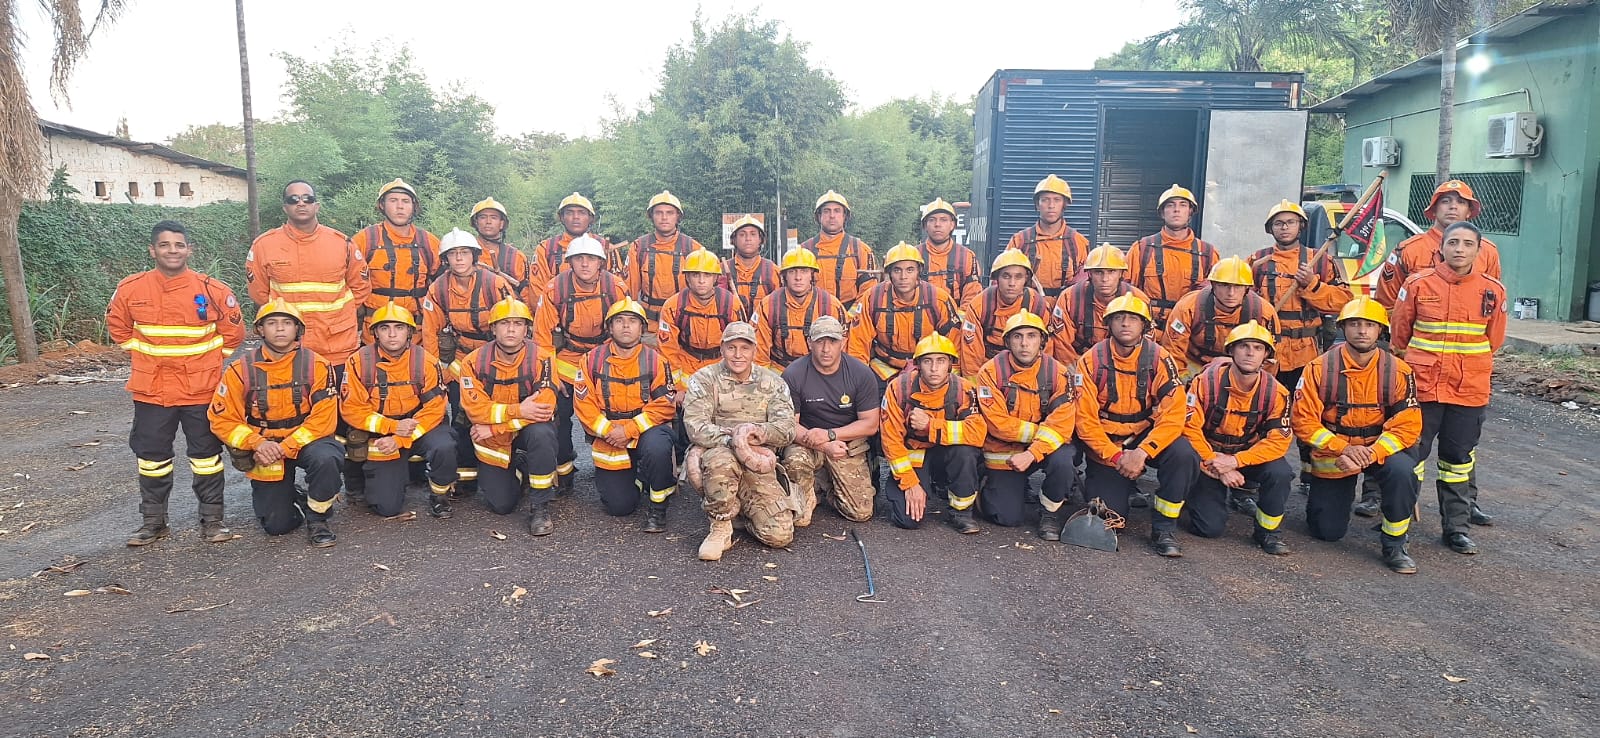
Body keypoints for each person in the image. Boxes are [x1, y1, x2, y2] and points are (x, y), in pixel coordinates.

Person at [108, 220, 246, 546]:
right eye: (165, 245)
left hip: (201, 389)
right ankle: (153, 523)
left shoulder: (212, 289)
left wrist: (209, 362)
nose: (173, 251)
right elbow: (118, 326)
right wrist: (144, 354)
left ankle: (213, 522)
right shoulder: (131, 289)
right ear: (152, 250)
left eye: (179, 245)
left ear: (189, 250)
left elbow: (234, 333)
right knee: (151, 458)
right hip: (152, 390)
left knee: (206, 456)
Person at [1391, 221, 1507, 555]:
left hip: (1468, 389)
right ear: (1441, 247)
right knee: (1411, 456)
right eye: (1452, 242)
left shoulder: (1492, 290)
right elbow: (1400, 333)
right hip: (1423, 388)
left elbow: (1493, 339)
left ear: (1478, 249)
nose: (1459, 249)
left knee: (1457, 460)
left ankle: (1456, 529)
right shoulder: (1417, 284)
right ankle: (1398, 524)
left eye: (1467, 243)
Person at [1292, 297, 1422, 573]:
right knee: (1326, 531)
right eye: (1354, 324)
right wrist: (1343, 449)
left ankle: (1395, 543)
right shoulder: (1318, 368)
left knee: (1403, 472)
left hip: (1379, 450)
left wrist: (1370, 454)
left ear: (1380, 331)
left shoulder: (1399, 370)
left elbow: (1408, 424)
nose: (1362, 330)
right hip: (1337, 454)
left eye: (1369, 325)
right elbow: (1303, 421)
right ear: (1343, 328)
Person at [208, 300, 343, 547]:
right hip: (265, 449)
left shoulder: (318, 365)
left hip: (305, 441)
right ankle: (294, 497)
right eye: (272, 323)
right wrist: (257, 443)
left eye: (287, 323)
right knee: (277, 526)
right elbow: (222, 418)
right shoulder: (240, 370)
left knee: (328, 457)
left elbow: (324, 419)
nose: (280, 329)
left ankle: (318, 520)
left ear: (297, 330)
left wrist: (286, 446)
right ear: (260, 329)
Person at [1074, 293, 1200, 557]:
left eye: (1133, 319)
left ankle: (1164, 528)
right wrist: (1117, 456)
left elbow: (1174, 413)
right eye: (1119, 318)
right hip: (1108, 443)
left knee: (1183, 454)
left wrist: (1143, 452)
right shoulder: (1090, 361)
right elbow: (1084, 421)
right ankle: (1109, 486)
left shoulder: (1160, 359)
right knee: (1112, 517)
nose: (1125, 324)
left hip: (1144, 435)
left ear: (1145, 325)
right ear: (1108, 324)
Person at [1249, 199, 1353, 488]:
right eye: (1279, 223)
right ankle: (1254, 476)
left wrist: (1313, 285)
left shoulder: (1319, 259)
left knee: (1309, 413)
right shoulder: (1257, 261)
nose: (1285, 227)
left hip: (1306, 353)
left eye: (1290, 222)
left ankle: (1311, 474)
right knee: (1260, 411)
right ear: (1270, 229)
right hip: (1268, 354)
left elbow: (1343, 302)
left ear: (1301, 226)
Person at [681, 322, 800, 560]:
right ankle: (720, 526)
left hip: (759, 459)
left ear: (754, 351)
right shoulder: (704, 379)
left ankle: (741, 509)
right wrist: (735, 440)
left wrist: (760, 433)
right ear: (722, 349)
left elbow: (787, 428)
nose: (738, 355)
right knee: (720, 462)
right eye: (731, 347)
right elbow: (695, 426)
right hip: (719, 450)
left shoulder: (772, 383)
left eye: (744, 348)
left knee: (779, 535)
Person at [1181, 321, 1294, 555]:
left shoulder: (1277, 393)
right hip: (1209, 458)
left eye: (1257, 347)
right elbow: (1189, 429)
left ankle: (1268, 532)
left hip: (1245, 457)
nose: (1250, 352)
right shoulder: (1205, 382)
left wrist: (1236, 462)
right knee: (1208, 528)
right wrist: (1217, 463)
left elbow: (1278, 441)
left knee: (1280, 472)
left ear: (1266, 356)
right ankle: (1192, 496)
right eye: (1243, 346)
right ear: (1231, 350)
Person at [340, 304, 457, 519]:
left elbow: (435, 408)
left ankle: (439, 495)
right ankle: (370, 482)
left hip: (417, 427)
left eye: (399, 328)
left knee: (445, 444)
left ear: (410, 333)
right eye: (385, 328)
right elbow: (352, 409)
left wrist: (400, 438)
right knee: (387, 508)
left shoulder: (425, 361)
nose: (392, 334)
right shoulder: (358, 362)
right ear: (375, 332)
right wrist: (392, 428)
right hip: (382, 435)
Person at [454, 298, 561, 535]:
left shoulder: (543, 359)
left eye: (517, 323)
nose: (511, 329)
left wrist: (495, 427)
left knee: (542, 431)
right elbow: (476, 410)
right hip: (495, 443)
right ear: (493, 328)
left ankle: (540, 505)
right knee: (502, 505)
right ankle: (520, 466)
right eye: (504, 323)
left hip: (513, 431)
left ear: (526, 328)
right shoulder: (472, 362)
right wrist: (519, 410)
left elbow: (544, 407)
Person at [573, 299, 679, 531]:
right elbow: (584, 406)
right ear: (610, 328)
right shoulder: (591, 361)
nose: (626, 326)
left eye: (632, 321)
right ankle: (639, 477)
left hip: (644, 433)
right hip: (610, 438)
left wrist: (629, 430)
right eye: (619, 321)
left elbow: (665, 405)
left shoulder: (656, 361)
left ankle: (658, 508)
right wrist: (611, 431)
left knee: (659, 445)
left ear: (642, 328)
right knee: (619, 507)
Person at [533, 234, 627, 495]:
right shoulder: (554, 289)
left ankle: (609, 466)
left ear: (601, 263)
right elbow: (542, 339)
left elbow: (624, 330)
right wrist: (550, 378)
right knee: (558, 415)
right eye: (579, 259)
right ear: (570, 262)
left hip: (603, 359)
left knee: (612, 410)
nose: (585, 264)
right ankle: (563, 470)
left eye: (591, 259)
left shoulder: (616, 287)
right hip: (566, 361)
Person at [426, 228, 517, 496]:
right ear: (446, 259)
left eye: (464, 253)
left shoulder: (493, 284)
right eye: (453, 255)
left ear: (474, 255)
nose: (459, 259)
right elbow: (430, 332)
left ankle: (506, 465)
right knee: (461, 415)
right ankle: (466, 473)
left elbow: (514, 321)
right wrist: (436, 371)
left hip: (495, 356)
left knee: (498, 410)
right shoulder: (438, 289)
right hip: (460, 357)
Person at [973, 312, 1078, 538]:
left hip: (1040, 450)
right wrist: (1041, 433)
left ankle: (1049, 513)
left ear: (1042, 341)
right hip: (1004, 451)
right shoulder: (990, 372)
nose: (1024, 343)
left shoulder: (1058, 373)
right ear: (1008, 342)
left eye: (1031, 336)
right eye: (1017, 336)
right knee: (1006, 518)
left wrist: (1032, 453)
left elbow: (1062, 422)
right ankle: (984, 485)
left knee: (1064, 459)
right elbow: (997, 424)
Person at [245, 180, 370, 367]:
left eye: (307, 198)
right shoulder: (264, 245)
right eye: (293, 199)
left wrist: (337, 318)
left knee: (337, 396)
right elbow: (260, 295)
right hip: (287, 347)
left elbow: (361, 288)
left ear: (316, 206)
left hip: (336, 347)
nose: (301, 203)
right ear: (285, 207)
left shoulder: (342, 244)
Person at [879, 335, 988, 532]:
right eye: (927, 361)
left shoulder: (965, 390)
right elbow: (890, 442)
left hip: (948, 454)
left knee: (966, 451)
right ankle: (927, 485)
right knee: (907, 520)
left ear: (950, 365)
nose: (934, 368)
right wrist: (910, 484)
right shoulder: (898, 389)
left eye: (941, 361)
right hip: (915, 457)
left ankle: (961, 512)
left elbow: (978, 433)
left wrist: (931, 425)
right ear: (918, 364)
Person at [780, 316, 882, 526]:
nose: (826, 349)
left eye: (832, 341)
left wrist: (831, 435)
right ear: (809, 342)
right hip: (807, 441)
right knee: (800, 517)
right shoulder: (793, 374)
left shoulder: (861, 374)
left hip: (845, 442)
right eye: (819, 341)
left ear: (843, 342)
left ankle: (825, 484)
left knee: (860, 513)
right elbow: (789, 425)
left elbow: (871, 424)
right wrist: (825, 445)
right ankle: (805, 494)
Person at [847, 242, 963, 382]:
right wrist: (858, 380)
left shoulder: (938, 300)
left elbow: (955, 344)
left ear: (919, 272)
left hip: (926, 368)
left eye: (910, 270)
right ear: (889, 273)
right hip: (884, 367)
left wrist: (951, 380)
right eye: (897, 270)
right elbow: (858, 343)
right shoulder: (873, 298)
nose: (903, 277)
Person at [1376, 179, 1502, 308]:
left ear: (1469, 211)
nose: (1453, 206)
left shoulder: (1487, 251)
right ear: (1434, 209)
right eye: (1445, 201)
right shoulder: (1408, 250)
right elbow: (1386, 305)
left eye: (1461, 202)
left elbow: (1492, 300)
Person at [1163, 256, 1279, 382]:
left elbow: (1271, 359)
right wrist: (1185, 384)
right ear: (1213, 285)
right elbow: (1173, 350)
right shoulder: (1189, 307)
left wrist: (1255, 385)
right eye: (1224, 285)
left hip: (1242, 368)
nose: (1231, 293)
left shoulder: (1264, 313)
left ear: (1247, 288)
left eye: (1238, 286)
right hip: (1195, 364)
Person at [1126, 184, 1218, 338]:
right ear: (1162, 212)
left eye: (1183, 205)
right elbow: (1126, 291)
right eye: (1170, 205)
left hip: (1189, 332)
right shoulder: (1142, 248)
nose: (1176, 209)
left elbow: (1216, 298)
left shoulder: (1207, 253)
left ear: (1190, 212)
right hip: (1150, 330)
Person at [353, 178, 441, 320]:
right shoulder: (366, 239)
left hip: (418, 331)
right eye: (393, 200)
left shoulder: (429, 242)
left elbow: (444, 285)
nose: (399, 206)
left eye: (405, 201)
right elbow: (348, 282)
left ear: (413, 206)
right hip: (374, 329)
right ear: (382, 205)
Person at [1049, 243, 1149, 365]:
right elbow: (1062, 344)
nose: (1105, 279)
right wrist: (1074, 372)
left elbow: (1146, 344)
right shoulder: (1069, 298)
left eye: (1111, 271)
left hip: (1124, 363)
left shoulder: (1138, 299)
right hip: (1080, 360)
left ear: (1121, 274)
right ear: (1089, 274)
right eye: (1098, 272)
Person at [658, 249, 748, 378]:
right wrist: (677, 386)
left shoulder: (730, 304)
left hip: (723, 366)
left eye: (707, 275)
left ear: (716, 277)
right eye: (695, 275)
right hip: (686, 367)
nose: (701, 280)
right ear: (687, 277)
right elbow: (667, 349)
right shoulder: (673, 306)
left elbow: (744, 344)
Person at [959, 250, 1050, 377]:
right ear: (997, 278)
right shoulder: (980, 306)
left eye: (1018, 277)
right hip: (989, 370)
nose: (1012, 283)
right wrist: (975, 387)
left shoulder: (1037, 306)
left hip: (1028, 371)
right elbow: (971, 355)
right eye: (1006, 276)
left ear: (1026, 279)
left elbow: (1046, 349)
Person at [754, 248, 847, 369]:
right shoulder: (768, 306)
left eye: (804, 271)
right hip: (780, 370)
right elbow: (759, 355)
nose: (798, 277)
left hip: (819, 370)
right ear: (784, 276)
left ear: (812, 275)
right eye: (792, 271)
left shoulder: (831, 306)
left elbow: (844, 347)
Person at [625, 191, 704, 332]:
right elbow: (628, 291)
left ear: (678, 216)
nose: (664, 217)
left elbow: (704, 292)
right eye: (659, 213)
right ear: (651, 216)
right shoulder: (639, 248)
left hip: (683, 325)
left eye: (670, 213)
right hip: (649, 327)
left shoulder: (693, 249)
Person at [1005, 174, 1091, 298]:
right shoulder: (1019, 241)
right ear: (1037, 204)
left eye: (1057, 200)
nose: (1051, 206)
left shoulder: (1079, 242)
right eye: (1045, 200)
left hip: (1064, 308)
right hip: (1027, 308)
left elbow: (1086, 284)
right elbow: (1002, 279)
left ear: (1064, 205)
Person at [527, 193, 614, 302]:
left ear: (590, 218)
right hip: (558, 314)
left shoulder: (606, 248)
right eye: (569, 212)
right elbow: (537, 293)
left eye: (581, 213)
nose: (575, 217)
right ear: (562, 218)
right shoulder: (546, 249)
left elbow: (619, 288)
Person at [799, 190, 878, 307]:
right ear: (819, 216)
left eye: (837, 211)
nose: (832, 216)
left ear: (844, 216)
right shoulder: (804, 251)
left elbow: (868, 291)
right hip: (813, 317)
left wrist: (850, 316)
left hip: (851, 318)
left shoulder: (860, 250)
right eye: (826, 211)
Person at [915, 198, 981, 306]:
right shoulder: (913, 256)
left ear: (952, 225)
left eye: (943, 220)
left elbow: (972, 297)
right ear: (925, 226)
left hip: (956, 320)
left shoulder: (966, 257)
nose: (937, 224)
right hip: (920, 320)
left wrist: (958, 319)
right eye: (932, 220)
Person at [719, 215, 780, 315]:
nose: (748, 239)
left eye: (753, 234)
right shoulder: (721, 270)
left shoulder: (773, 271)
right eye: (742, 235)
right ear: (733, 240)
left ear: (760, 240)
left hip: (763, 329)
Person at [469, 197, 529, 297]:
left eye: (493, 217)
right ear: (476, 222)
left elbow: (526, 294)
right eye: (483, 217)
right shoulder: (464, 253)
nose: (488, 221)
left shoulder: (516, 257)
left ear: (501, 224)